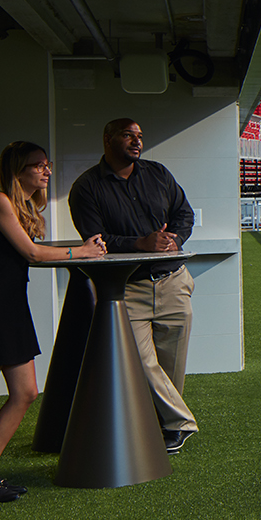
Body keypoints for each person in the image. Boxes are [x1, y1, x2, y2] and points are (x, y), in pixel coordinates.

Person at [0, 142, 107, 502]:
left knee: (25, 392)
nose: (46, 171)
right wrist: (81, 252)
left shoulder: (24, 208)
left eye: (47, 165)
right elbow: (32, 253)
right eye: (38, 165)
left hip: (10, 307)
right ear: (17, 170)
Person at [69, 119, 199, 454]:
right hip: (128, 288)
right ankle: (180, 422)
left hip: (173, 281)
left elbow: (184, 214)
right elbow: (95, 241)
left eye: (140, 136)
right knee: (141, 362)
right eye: (128, 135)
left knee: (171, 367)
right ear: (107, 138)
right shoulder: (86, 187)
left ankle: (163, 428)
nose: (136, 141)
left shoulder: (158, 174)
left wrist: (174, 238)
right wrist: (140, 243)